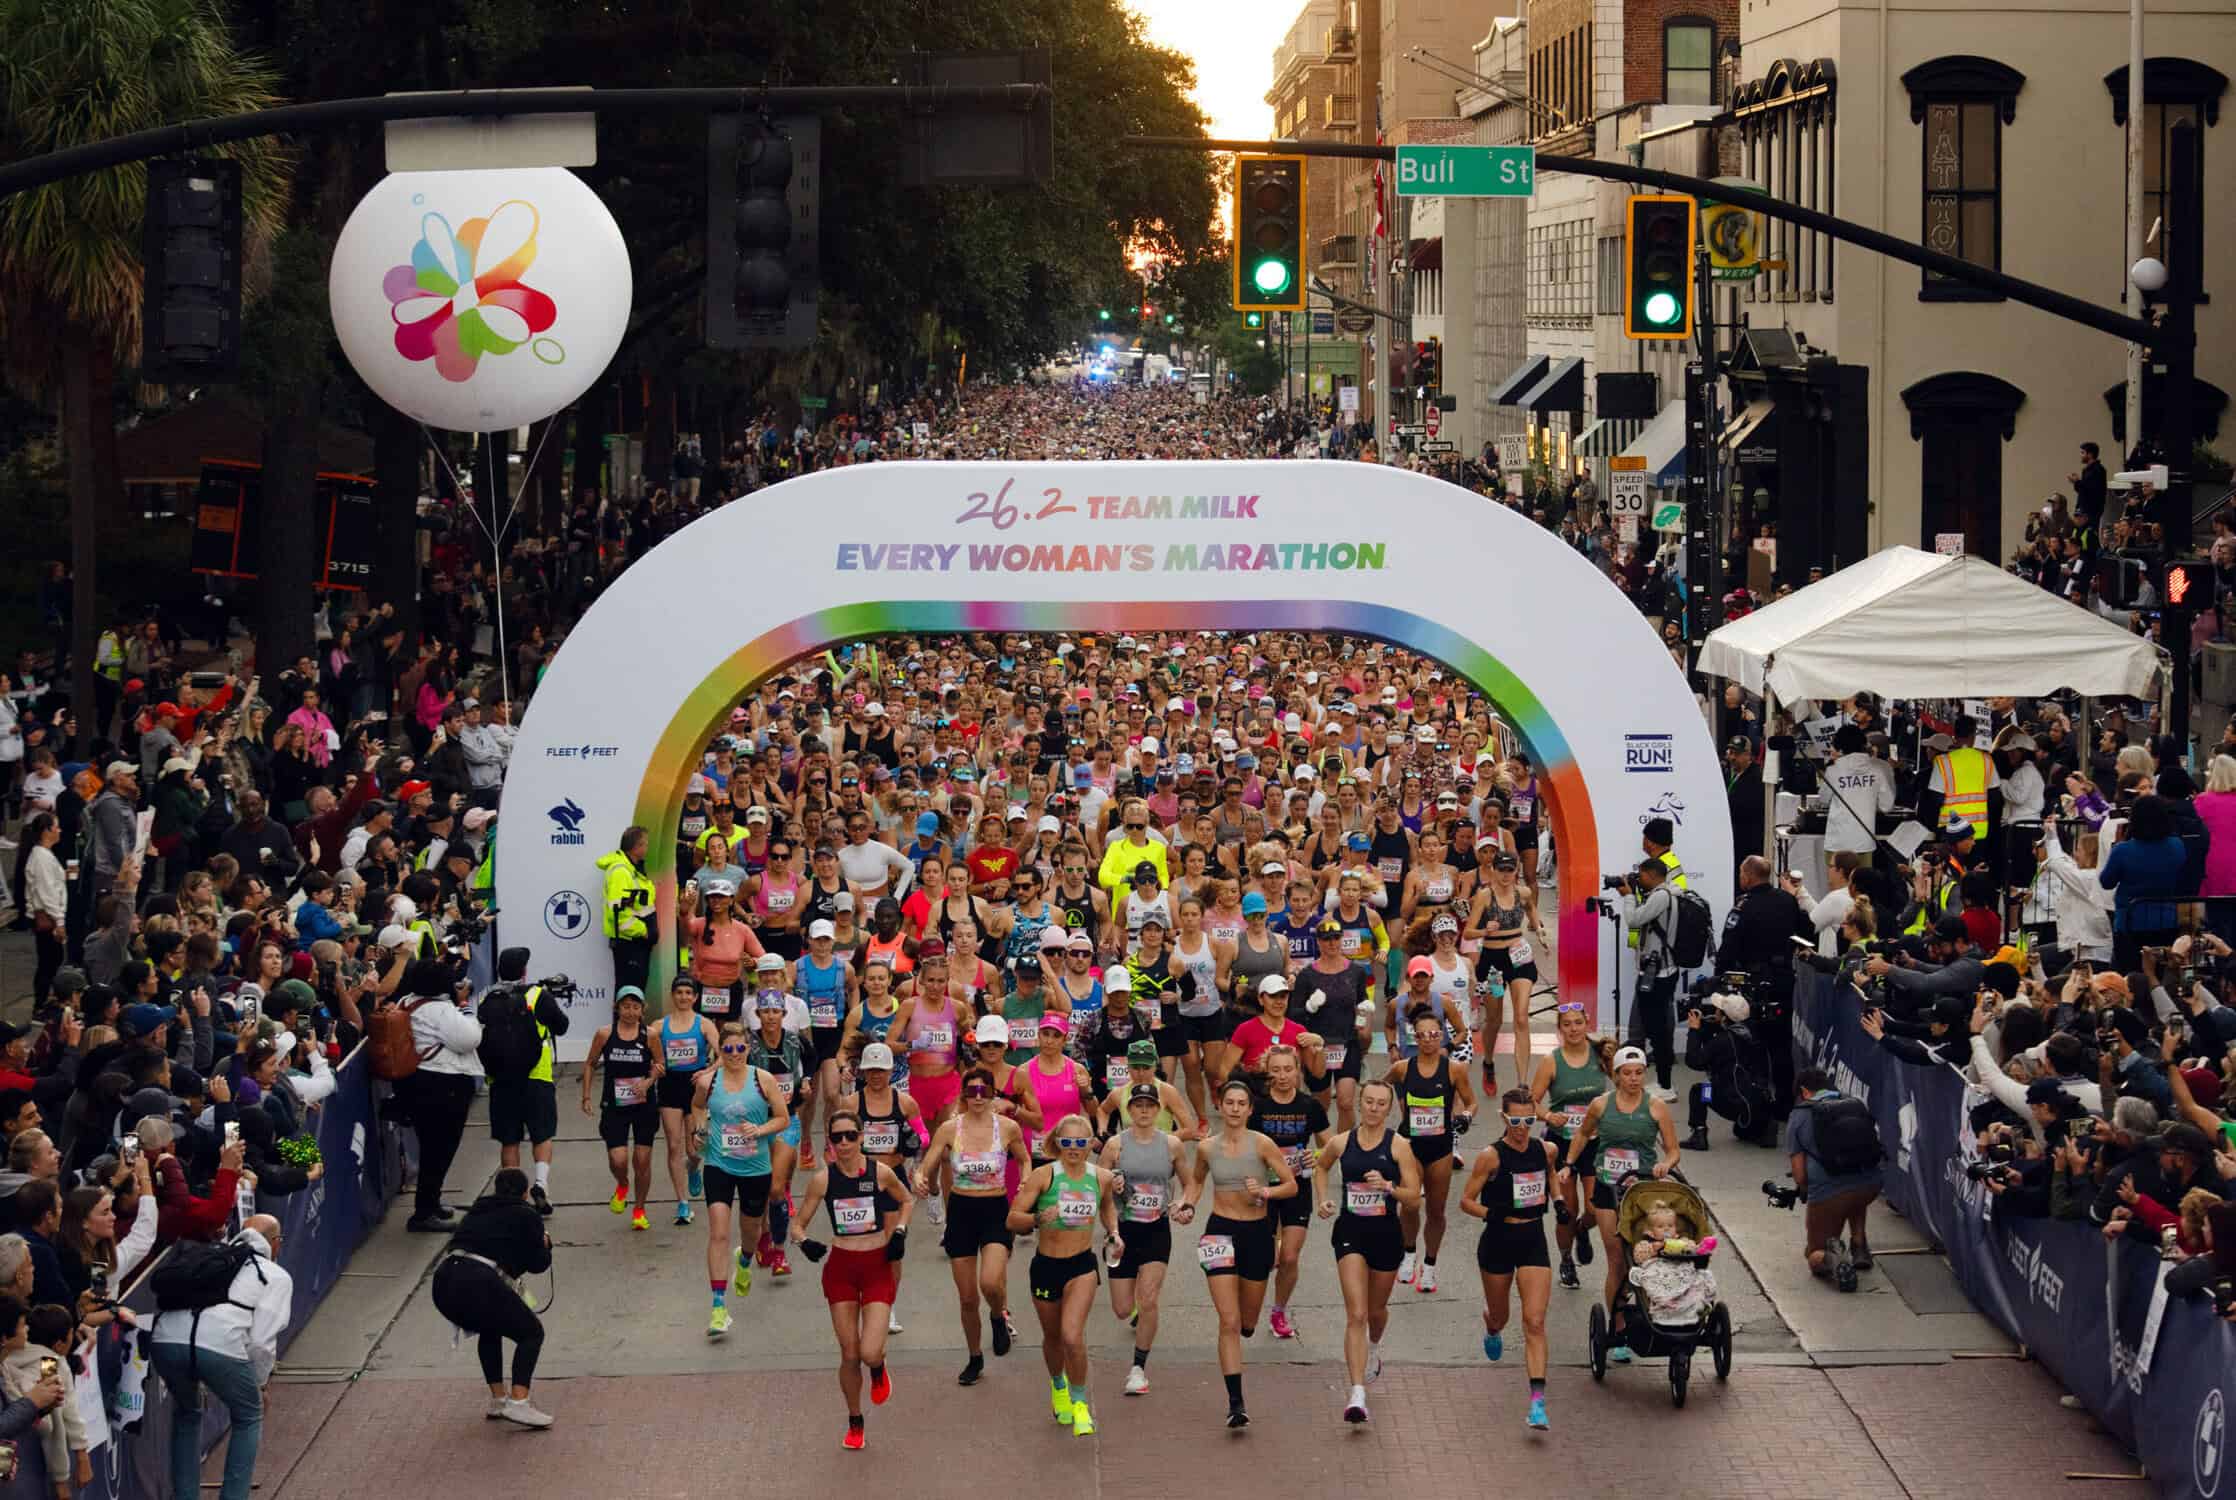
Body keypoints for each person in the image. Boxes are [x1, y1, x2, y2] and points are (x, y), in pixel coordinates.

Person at [790, 1106, 913, 1451]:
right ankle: (855, 1420)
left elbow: (907, 1200)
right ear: (829, 1142)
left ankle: (878, 1368)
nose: (844, 1143)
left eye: (850, 1136)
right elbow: (797, 1224)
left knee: (871, 1351)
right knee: (849, 1353)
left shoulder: (881, 1172)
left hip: (876, 1266)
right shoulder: (823, 1179)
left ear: (861, 1137)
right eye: (837, 1137)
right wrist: (804, 1242)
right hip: (841, 1268)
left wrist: (900, 1231)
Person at [149, 1215, 294, 1500]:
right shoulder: (275, 1275)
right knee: (249, 1415)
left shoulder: (208, 1257)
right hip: (218, 1345)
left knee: (188, 1413)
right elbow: (262, 1344)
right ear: (275, 1244)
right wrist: (260, 1385)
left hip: (165, 1340)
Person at [1181, 1078, 1299, 1429]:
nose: (1233, 1108)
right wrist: (1187, 1204)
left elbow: (1290, 1185)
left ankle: (1248, 1328)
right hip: (1219, 1231)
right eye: (1228, 1102)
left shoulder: (1262, 1144)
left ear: (1249, 1110)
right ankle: (1236, 1402)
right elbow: (1198, 1180)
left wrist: (1265, 1191)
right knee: (1229, 1321)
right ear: (1220, 1107)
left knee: (1246, 1322)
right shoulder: (1207, 1148)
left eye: (1240, 1103)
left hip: (1257, 1234)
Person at [1557, 1045, 1681, 1361]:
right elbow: (1583, 1135)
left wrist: (1665, 1164)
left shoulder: (1656, 1108)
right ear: (1616, 1076)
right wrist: (1570, 1163)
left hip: (1643, 1192)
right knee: (1617, 1260)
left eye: (1639, 1073)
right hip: (1608, 1188)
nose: (1634, 1079)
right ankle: (1620, 1326)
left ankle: (1656, 1312)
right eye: (1627, 1073)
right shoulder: (1600, 1105)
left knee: (1646, 1256)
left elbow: (1673, 1150)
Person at [1312, 1075, 1421, 1424]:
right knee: (1356, 1313)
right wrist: (1323, 1199)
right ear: (1359, 1103)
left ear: (1390, 1109)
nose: (1374, 1109)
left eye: (1381, 1104)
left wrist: (1389, 1187)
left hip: (1386, 1234)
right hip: (1350, 1232)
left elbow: (1415, 1197)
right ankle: (1356, 1392)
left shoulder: (1400, 1146)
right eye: (1369, 1102)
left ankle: (1373, 1347)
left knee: (1376, 1311)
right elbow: (1321, 1166)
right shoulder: (1343, 1142)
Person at [913, 1065, 1031, 1386]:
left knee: (991, 1283)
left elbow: (1023, 1158)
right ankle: (975, 1356)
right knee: (967, 1298)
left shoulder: (1006, 1127)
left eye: (984, 1091)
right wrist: (921, 1176)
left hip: (994, 1209)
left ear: (992, 1093)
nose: (978, 1097)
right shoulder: (950, 1129)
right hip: (962, 1211)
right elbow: (931, 1159)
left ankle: (997, 1316)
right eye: (972, 1091)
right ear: (964, 1095)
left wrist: (1025, 1183)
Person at [1006, 1112, 1117, 1437]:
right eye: (1066, 1142)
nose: (1073, 1148)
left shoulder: (1101, 1177)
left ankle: (1080, 1402)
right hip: (1046, 1266)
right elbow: (1013, 1219)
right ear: (1057, 1143)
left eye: (1080, 1142)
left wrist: (1113, 1232)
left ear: (1089, 1146)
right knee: (1053, 1337)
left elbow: (1108, 1206)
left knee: (1072, 1335)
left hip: (1081, 1265)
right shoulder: (1044, 1176)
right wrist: (1039, 1219)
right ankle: (1058, 1385)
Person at [1461, 1088, 1561, 1432]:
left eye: (1528, 1120)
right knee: (1502, 1316)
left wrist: (1559, 1199)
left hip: (1533, 1238)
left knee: (1534, 1321)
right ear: (1504, 1118)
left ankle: (1537, 1402)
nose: (1522, 1127)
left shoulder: (1546, 1149)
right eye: (1515, 1120)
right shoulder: (1491, 1156)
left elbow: (1550, 1175)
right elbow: (1466, 1201)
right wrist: (1493, 1213)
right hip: (1498, 1241)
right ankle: (1491, 1325)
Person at [430, 1168, 554, 1427]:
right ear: (524, 1192)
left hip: (444, 1280)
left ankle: (499, 1400)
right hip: (480, 1280)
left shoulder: (478, 1208)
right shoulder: (527, 1215)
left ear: (497, 1188)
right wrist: (545, 1244)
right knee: (532, 1334)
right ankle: (519, 1403)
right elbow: (538, 1264)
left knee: (489, 1327)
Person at [690, 1021, 790, 1338]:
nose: (734, 1054)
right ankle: (718, 1306)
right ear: (720, 1050)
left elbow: (783, 1118)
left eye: (740, 1048)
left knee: (749, 1232)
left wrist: (759, 1131)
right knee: (718, 1230)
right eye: (728, 1049)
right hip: (719, 1164)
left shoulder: (764, 1080)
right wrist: (700, 1129)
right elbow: (696, 1106)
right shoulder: (709, 1082)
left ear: (749, 1049)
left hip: (755, 1168)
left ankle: (744, 1260)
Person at [1099, 1082, 1187, 1395]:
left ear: (1159, 1109)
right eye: (1139, 1106)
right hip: (1122, 1232)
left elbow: (1190, 1185)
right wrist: (1112, 1188)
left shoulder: (1172, 1145)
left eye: (1151, 1105)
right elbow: (1099, 1191)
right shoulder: (1114, 1146)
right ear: (1129, 1110)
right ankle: (1132, 1300)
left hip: (1156, 1230)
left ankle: (1138, 1369)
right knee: (1123, 1309)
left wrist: (1181, 1205)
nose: (1145, 1111)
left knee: (1148, 1299)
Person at [1385, 1003, 1475, 1291]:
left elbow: (1471, 1101)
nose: (1428, 1040)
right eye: (1421, 1035)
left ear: (1442, 1036)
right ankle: (1409, 1253)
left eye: (1433, 1034)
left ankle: (1431, 1265)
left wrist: (1465, 1117)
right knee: (1410, 1204)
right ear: (1414, 1037)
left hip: (1440, 1147)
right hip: (1409, 1145)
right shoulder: (1401, 1068)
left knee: (1436, 1210)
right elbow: (1379, 1088)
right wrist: (1381, 1110)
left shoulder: (1454, 1069)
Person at [1246, 1044, 1328, 1341]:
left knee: (1290, 1257)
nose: (1282, 1076)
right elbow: (1240, 1143)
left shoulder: (1310, 1106)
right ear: (1268, 1072)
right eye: (1276, 1070)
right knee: (1265, 1257)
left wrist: (1314, 1157)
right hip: (1263, 1190)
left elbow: (1328, 1147)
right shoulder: (1257, 1106)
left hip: (1297, 1188)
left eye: (1288, 1069)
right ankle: (1251, 1301)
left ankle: (1279, 1310)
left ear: (1298, 1071)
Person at [481, 948, 569, 1216]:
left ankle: (511, 1198)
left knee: (509, 1140)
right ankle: (540, 1183)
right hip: (536, 1077)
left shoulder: (488, 997)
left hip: (501, 1079)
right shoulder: (537, 996)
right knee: (542, 1134)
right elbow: (561, 1026)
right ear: (523, 972)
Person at [396, 960, 482, 1232]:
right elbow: (469, 1039)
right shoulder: (440, 1010)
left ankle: (430, 1202)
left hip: (417, 1083)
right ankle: (423, 1212)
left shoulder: (406, 1003)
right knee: (440, 1149)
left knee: (431, 1147)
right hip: (444, 1085)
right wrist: (465, 1006)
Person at [1527, 999, 1607, 1288]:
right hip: (1560, 1144)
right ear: (1560, 1029)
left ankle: (1583, 1230)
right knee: (1567, 1212)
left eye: (1578, 1022)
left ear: (1587, 1023)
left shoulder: (1601, 1055)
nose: (1573, 1029)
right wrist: (1549, 1115)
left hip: (1595, 1144)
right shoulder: (1552, 1061)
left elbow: (1623, 1088)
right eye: (1567, 1024)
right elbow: (1531, 1102)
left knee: (1596, 1209)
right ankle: (1565, 1259)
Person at [1783, 1065, 1884, 1291]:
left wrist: (1808, 1192)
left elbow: (1800, 1176)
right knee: (1853, 1186)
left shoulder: (1799, 1116)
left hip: (1831, 1193)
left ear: (1804, 1091)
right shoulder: (1853, 1104)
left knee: (1813, 1255)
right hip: (1871, 1185)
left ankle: (1834, 1259)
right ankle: (1859, 1245)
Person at [580, 985, 660, 1230]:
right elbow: (590, 1063)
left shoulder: (650, 1035)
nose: (630, 1011)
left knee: (643, 1160)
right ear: (617, 1008)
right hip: (614, 1105)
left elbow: (660, 1064)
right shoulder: (605, 1034)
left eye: (635, 1007)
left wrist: (648, 1081)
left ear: (642, 1010)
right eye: (625, 1006)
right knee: (619, 1159)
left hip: (644, 1105)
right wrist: (586, 1096)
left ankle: (639, 1209)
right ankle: (623, 1184)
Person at [1613, 857, 1680, 1095]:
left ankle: (1665, 1085)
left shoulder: (1662, 896)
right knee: (1654, 1025)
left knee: (1658, 1029)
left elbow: (1634, 919)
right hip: (1660, 970)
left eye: (1641, 876)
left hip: (1659, 973)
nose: (1639, 880)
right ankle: (1663, 1081)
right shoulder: (1667, 894)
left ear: (1652, 875)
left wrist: (1629, 896)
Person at [655, 975, 718, 1227]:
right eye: (679, 992)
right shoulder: (660, 1026)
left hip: (695, 1090)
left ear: (695, 997)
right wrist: (655, 1067)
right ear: (673, 995)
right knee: (673, 1145)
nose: (683, 997)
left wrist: (707, 1071)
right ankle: (682, 1203)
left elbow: (724, 1054)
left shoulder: (704, 1024)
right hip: (669, 1087)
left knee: (695, 1149)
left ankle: (693, 1168)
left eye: (687, 993)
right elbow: (648, 1052)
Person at [597, 824, 657, 995]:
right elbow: (618, 913)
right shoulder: (621, 872)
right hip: (630, 943)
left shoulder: (632, 869)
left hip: (637, 943)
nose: (647, 847)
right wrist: (644, 931)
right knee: (628, 996)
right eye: (645, 844)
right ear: (636, 847)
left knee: (635, 993)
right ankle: (623, 1023)